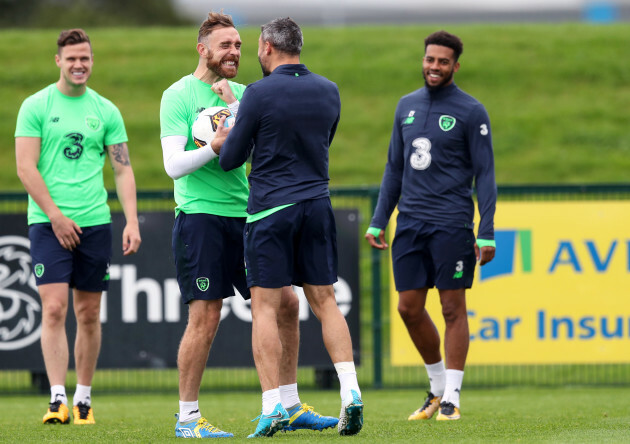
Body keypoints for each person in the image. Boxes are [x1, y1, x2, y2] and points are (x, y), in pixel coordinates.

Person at [159, 12, 338, 439]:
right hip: (200, 216)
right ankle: (187, 418)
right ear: (202, 49)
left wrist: (235, 107)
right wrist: (213, 147)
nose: (235, 53)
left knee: (289, 306)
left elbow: (269, 145)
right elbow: (172, 165)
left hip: (248, 214)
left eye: (239, 45)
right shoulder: (178, 95)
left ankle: (290, 405)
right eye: (226, 46)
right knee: (205, 315)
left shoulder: (246, 93)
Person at [215, 17, 364, 438]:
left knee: (264, 306)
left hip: (270, 211)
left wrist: (234, 117)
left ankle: (271, 407)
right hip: (317, 204)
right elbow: (322, 141)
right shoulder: (329, 90)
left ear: (266, 47)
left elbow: (230, 159)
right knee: (325, 301)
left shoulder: (259, 93)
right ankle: (350, 391)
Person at [365, 30, 496, 422]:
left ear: (456, 66)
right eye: (429, 59)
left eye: (442, 61)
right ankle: (437, 388)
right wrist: (378, 220)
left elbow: (485, 175)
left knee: (452, 308)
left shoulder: (472, 111)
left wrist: (486, 229)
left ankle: (453, 397)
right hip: (410, 223)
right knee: (408, 308)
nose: (434, 67)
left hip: (452, 223)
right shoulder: (406, 105)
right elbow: (393, 168)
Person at [15, 28, 141, 426]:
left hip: (95, 224)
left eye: (84, 57)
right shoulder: (35, 106)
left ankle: (83, 399)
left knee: (88, 314)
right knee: (53, 310)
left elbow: (122, 169)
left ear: (91, 60)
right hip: (48, 223)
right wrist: (54, 214)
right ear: (58, 61)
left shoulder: (105, 110)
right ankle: (57, 399)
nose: (79, 64)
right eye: (71, 58)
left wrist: (132, 220)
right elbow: (25, 167)